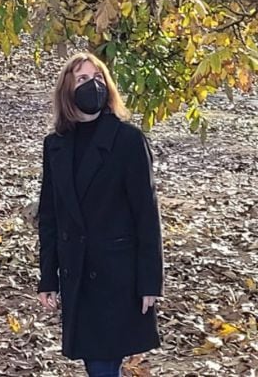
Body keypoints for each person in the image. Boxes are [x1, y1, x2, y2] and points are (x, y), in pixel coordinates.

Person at [36, 52, 164, 376]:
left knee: (104, 365)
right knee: (97, 365)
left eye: (97, 79)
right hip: (77, 273)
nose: (91, 85)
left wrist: (150, 281)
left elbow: (147, 215)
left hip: (118, 277)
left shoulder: (128, 140)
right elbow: (50, 215)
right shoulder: (56, 145)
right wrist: (48, 277)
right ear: (67, 90)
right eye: (82, 79)